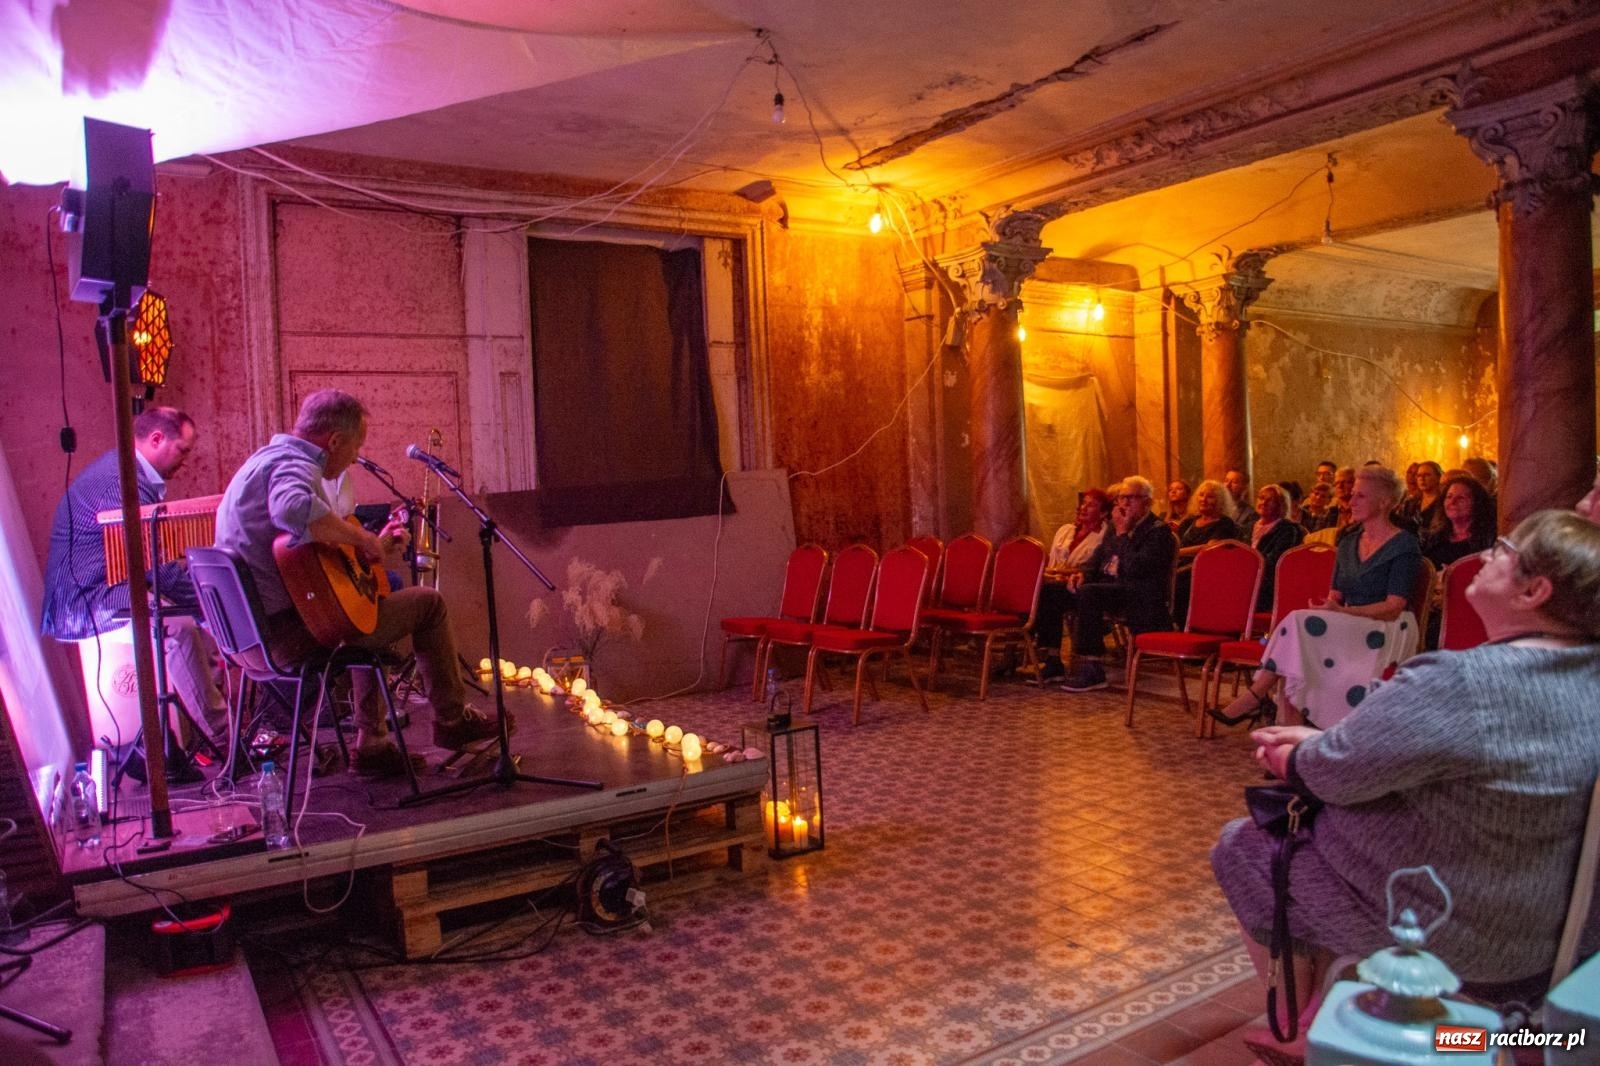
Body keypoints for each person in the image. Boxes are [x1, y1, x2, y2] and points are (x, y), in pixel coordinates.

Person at [1211, 510, 1600, 1017]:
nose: (1486, 555)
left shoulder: (1466, 681)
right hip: (1549, 928)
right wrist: (1321, 743)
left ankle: (1308, 1026)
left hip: (1459, 935)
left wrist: (1295, 756)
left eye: (1504, 550)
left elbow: (1335, 773)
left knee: (1247, 847)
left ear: (1535, 591)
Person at [214, 389, 503, 777]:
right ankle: (452, 721)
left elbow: (301, 553)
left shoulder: (260, 462)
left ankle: (373, 745)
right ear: (334, 440)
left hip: (247, 639)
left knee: (367, 611)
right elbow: (293, 510)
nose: (354, 457)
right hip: (286, 637)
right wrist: (364, 539)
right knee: (428, 604)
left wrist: (365, 548)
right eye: (355, 446)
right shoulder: (294, 464)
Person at [41, 407, 229, 765]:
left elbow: (150, 561)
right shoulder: (122, 483)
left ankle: (207, 732)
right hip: (85, 601)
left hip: (108, 587)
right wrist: (210, 598)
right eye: (183, 450)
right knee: (179, 628)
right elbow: (153, 565)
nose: (186, 461)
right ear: (156, 439)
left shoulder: (127, 472)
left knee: (198, 624)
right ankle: (223, 736)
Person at [1211, 466, 1421, 730]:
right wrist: (1327, 608)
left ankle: (1259, 698)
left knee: (1298, 624)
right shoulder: (1348, 542)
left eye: (1361, 496)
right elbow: (1336, 595)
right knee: (1299, 637)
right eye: (1352, 495)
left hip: (1388, 628)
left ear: (1384, 502)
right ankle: (1286, 727)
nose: (1351, 501)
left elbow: (1393, 607)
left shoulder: (1404, 545)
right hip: (1350, 624)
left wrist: (1342, 613)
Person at [1059, 476, 1178, 692]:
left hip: (1138, 593)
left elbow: (1137, 568)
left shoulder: (1158, 531)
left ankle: (1093, 668)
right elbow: (1097, 560)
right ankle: (1051, 660)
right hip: (1110, 587)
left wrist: (1123, 535)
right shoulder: (1114, 527)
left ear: (1147, 502)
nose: (1124, 504)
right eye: (1121, 498)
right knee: (1051, 591)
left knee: (1089, 593)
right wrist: (1082, 574)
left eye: (1131, 498)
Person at [1031, 488, 1112, 682]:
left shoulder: (1105, 535)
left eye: (1091, 505)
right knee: (1044, 591)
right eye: (1083, 503)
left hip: (1085, 584)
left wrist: (1065, 573)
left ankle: (1090, 664)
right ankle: (1052, 659)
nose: (1083, 508)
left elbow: (1092, 567)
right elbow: (1055, 562)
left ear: (1103, 513)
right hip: (1061, 582)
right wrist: (1053, 574)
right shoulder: (1066, 531)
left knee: (1078, 593)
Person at [1172, 480, 1240, 621]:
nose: (1203, 499)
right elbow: (1174, 544)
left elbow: (1209, 549)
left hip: (1205, 572)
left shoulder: (1224, 523)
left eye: (1210, 496)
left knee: (1176, 580)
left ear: (1220, 501)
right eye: (1201, 495)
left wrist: (1178, 552)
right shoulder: (1189, 522)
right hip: (1180, 566)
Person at [1249, 484, 1306, 612]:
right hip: (1245, 577)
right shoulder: (1247, 527)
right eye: (1261, 498)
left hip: (1268, 583)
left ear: (1281, 505)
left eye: (1270, 500)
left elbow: (1276, 560)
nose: (1264, 502)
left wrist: (1249, 567)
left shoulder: (1288, 530)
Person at [1421, 475, 1495, 568]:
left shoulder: (1489, 540)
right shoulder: (1435, 539)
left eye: (1461, 498)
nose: (1452, 502)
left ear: (1477, 503)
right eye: (1449, 497)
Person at [1403, 460, 1445, 538]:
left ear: (1438, 477)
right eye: (1419, 475)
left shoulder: (1443, 502)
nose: (1422, 478)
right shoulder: (1411, 503)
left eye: (1427, 475)